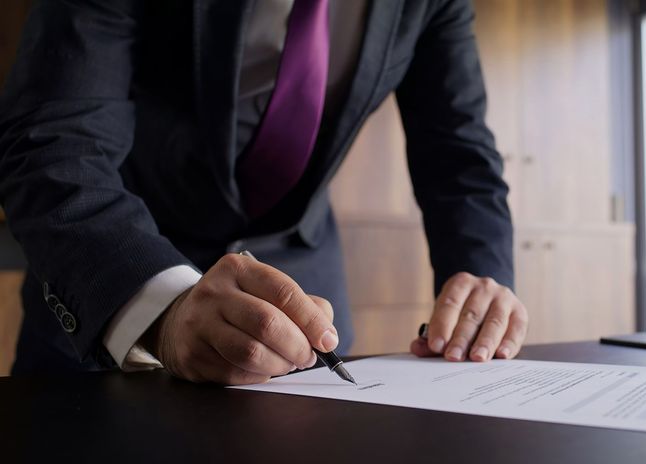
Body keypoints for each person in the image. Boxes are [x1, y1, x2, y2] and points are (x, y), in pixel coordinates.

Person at [0, 0, 528, 384]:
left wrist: (481, 275)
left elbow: (459, 156)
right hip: (115, 284)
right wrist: (161, 307)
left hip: (305, 312)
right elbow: (54, 139)